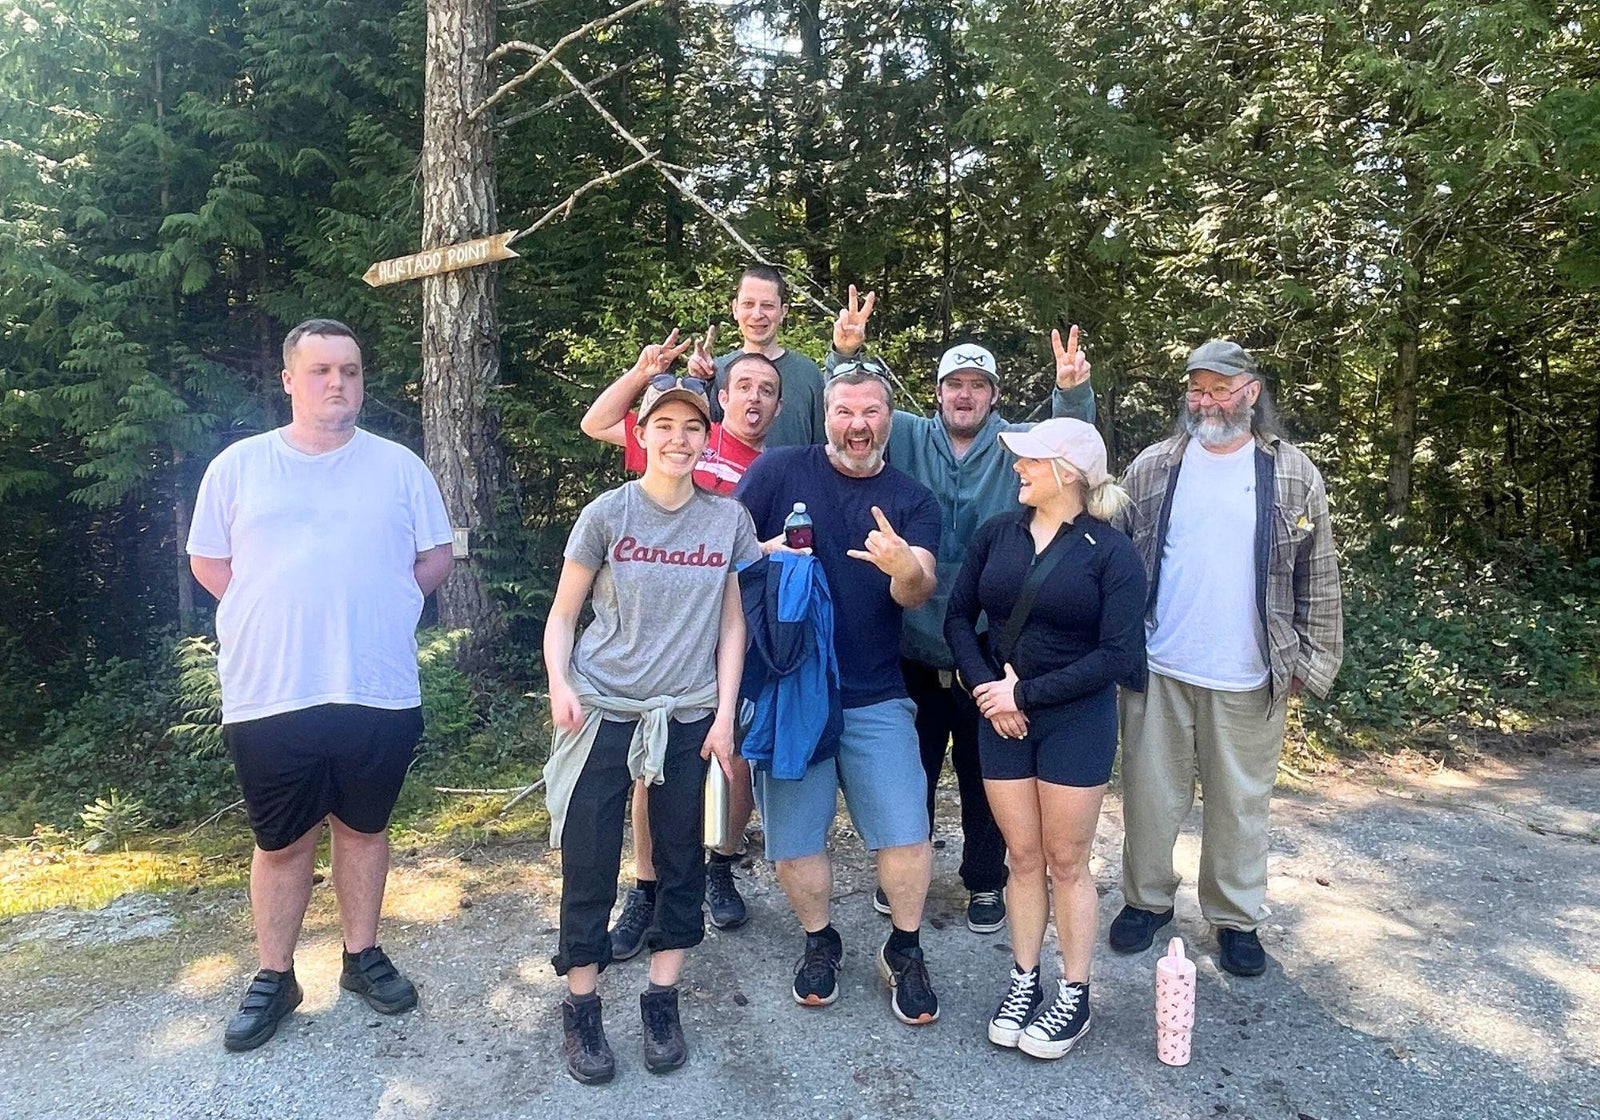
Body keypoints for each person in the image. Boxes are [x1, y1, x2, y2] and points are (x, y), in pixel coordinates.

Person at [186, 318, 456, 1053]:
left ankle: (362, 957)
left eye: (351, 370)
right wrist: (277, 612)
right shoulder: (239, 467)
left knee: (364, 829)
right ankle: (275, 975)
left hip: (376, 687)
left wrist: (383, 607)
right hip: (270, 690)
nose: (338, 382)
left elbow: (435, 557)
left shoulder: (400, 467)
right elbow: (210, 564)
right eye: (321, 370)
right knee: (280, 841)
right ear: (288, 380)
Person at [828, 287, 1096, 934]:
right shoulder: (908, 435)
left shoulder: (1014, 447)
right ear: (938, 393)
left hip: (988, 646)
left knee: (986, 776)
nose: (965, 395)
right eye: (955, 385)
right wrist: (846, 353)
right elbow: (853, 408)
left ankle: (984, 881)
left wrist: (1070, 392)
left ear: (995, 397)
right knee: (909, 772)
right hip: (912, 644)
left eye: (978, 386)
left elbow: (1070, 445)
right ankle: (904, 878)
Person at [542, 375, 759, 1084]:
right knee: (589, 859)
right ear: (641, 434)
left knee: (681, 861)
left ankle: (661, 1001)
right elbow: (563, 615)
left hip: (689, 713)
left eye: (692, 427)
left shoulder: (727, 520)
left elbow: (733, 624)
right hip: (603, 709)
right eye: (663, 425)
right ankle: (582, 1007)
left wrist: (724, 716)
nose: (678, 439)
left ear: (707, 439)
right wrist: (561, 684)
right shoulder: (607, 514)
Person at [1109, 340, 1343, 977]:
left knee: (1240, 804)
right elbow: (1116, 558)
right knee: (1149, 796)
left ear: (1251, 393)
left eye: (1218, 389)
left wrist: (1311, 660)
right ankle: (1147, 901)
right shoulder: (1154, 466)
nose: (1205, 401)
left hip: (1251, 672)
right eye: (1196, 389)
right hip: (1159, 664)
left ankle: (1235, 918)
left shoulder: (1292, 473)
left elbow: (1318, 575)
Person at [733, 364, 946, 1026]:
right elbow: (722, 550)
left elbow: (919, 589)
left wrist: (903, 569)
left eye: (872, 412)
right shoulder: (777, 472)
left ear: (890, 420)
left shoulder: (913, 500)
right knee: (796, 842)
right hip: (790, 689)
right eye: (845, 411)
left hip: (875, 693)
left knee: (907, 834)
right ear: (825, 416)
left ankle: (904, 948)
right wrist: (765, 551)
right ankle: (819, 941)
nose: (858, 424)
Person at [945, 418, 1145, 1059]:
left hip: (1075, 722)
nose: (1017, 468)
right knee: (1023, 857)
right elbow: (957, 617)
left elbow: (1118, 655)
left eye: (1030, 460)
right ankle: (1024, 979)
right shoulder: (997, 534)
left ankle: (1075, 992)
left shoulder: (1111, 552)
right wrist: (987, 690)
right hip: (999, 717)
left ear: (1067, 473)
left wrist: (1022, 696)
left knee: (1066, 862)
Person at [581, 330, 778, 941]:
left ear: (777, 405)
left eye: (766, 390)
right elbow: (596, 423)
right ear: (723, 395)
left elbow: (761, 549)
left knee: (733, 758)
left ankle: (719, 868)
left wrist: (765, 551)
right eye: (743, 386)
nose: (753, 398)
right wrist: (643, 373)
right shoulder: (678, 439)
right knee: (653, 768)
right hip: (659, 637)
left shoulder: (775, 465)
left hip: (728, 626)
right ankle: (646, 889)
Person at [708, 264, 826, 446]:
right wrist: (697, 381)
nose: (757, 314)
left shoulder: (808, 373)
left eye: (767, 305)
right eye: (748, 304)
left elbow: (823, 447)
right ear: (735, 309)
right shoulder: (716, 372)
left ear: (782, 312)